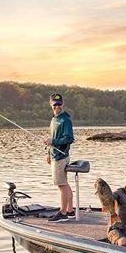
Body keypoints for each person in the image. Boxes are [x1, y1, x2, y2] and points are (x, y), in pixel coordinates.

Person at [45, 93, 75, 222]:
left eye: (59, 104)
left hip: (60, 157)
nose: (57, 106)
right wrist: (48, 152)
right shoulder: (54, 119)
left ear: (63, 104)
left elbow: (69, 138)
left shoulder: (65, 120)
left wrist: (53, 142)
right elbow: (53, 137)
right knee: (64, 184)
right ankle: (70, 211)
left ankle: (63, 213)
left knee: (62, 185)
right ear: (50, 104)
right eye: (55, 104)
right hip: (54, 155)